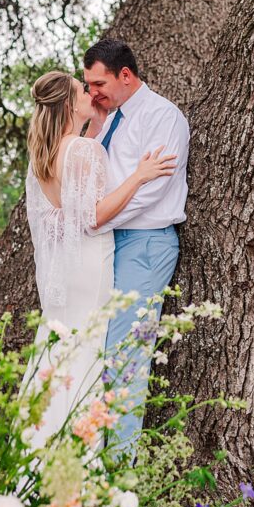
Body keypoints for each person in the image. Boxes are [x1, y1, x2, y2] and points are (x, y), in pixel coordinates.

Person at [21, 70, 176, 449]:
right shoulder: (85, 149)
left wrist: (95, 129)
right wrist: (139, 176)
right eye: (81, 90)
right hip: (90, 262)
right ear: (69, 103)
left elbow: (69, 203)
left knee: (60, 343)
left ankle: (39, 444)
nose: (90, 92)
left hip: (67, 269)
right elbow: (92, 215)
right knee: (88, 348)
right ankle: (80, 451)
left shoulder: (46, 152)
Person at [82, 38, 190, 448]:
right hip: (112, 242)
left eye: (97, 84)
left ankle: (116, 471)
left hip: (145, 244)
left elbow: (151, 192)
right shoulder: (110, 118)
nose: (93, 93)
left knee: (126, 357)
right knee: (102, 349)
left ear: (124, 75)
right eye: (88, 86)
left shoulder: (163, 116)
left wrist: (96, 220)